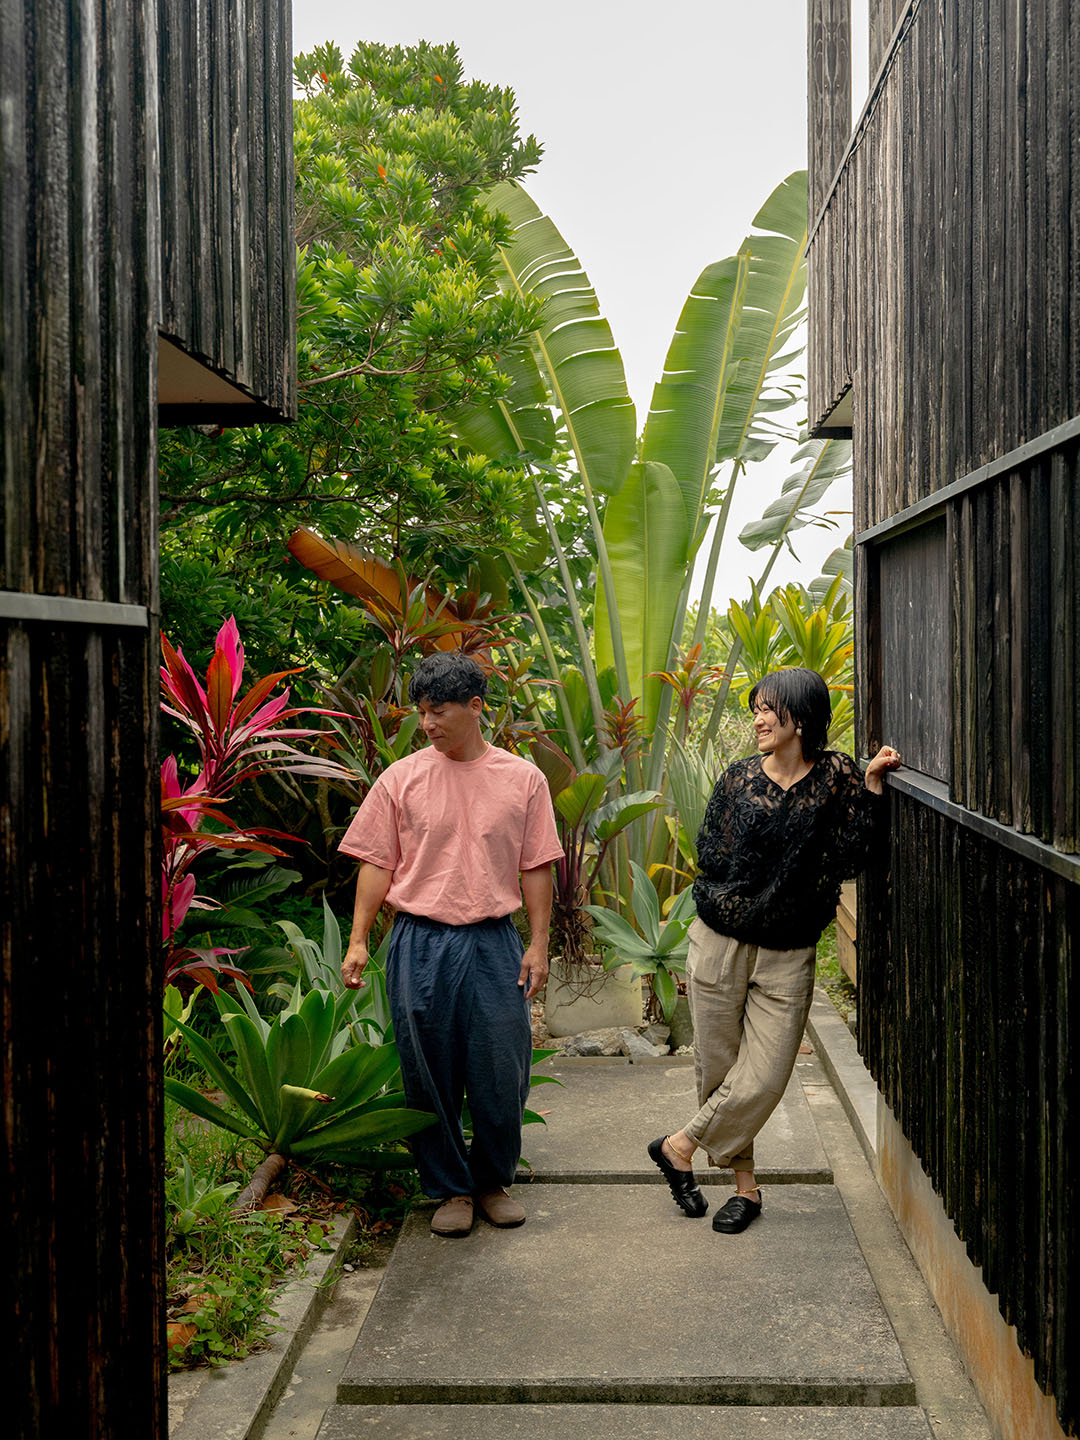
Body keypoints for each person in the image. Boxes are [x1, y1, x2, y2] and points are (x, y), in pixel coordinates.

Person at [648, 667, 901, 1234]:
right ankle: (747, 1190)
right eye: (756, 708)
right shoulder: (737, 780)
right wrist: (750, 904)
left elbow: (851, 855)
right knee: (720, 1070)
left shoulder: (836, 775)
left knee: (763, 1076)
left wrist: (874, 786)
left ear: (802, 718)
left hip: (789, 950)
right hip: (721, 941)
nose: (757, 719)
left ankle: (678, 1146)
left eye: (769, 709)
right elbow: (712, 857)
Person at [338, 652, 563, 1238]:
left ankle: (491, 1182)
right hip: (419, 939)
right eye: (422, 712)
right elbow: (376, 862)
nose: (428, 724)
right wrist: (360, 939)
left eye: (439, 711)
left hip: (493, 941)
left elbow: (537, 866)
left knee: (500, 1066)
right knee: (426, 1069)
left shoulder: (522, 780)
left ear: (475, 707)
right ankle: (449, 1189)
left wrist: (537, 944)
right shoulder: (402, 778)